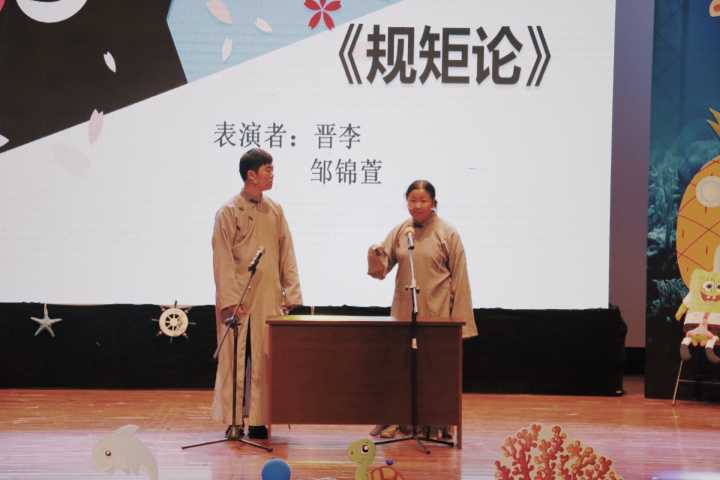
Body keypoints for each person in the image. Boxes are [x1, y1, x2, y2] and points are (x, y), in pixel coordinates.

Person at [367, 179, 478, 439]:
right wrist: (374, 253)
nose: (417, 206)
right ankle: (395, 419)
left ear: (434, 203)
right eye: (412, 200)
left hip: (437, 312)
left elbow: (460, 278)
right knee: (400, 367)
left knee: (434, 369)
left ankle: (437, 423)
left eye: (423, 201)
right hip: (404, 311)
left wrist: (460, 323)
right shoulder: (401, 230)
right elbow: (381, 269)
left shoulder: (448, 233)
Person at [210, 148, 302, 439]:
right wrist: (229, 302)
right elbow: (222, 258)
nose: (273, 174)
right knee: (236, 357)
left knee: (263, 356)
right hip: (239, 295)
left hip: (268, 296)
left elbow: (287, 252)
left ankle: (261, 419)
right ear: (251, 175)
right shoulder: (228, 211)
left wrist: (292, 294)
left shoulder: (275, 210)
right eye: (268, 169)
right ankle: (234, 419)